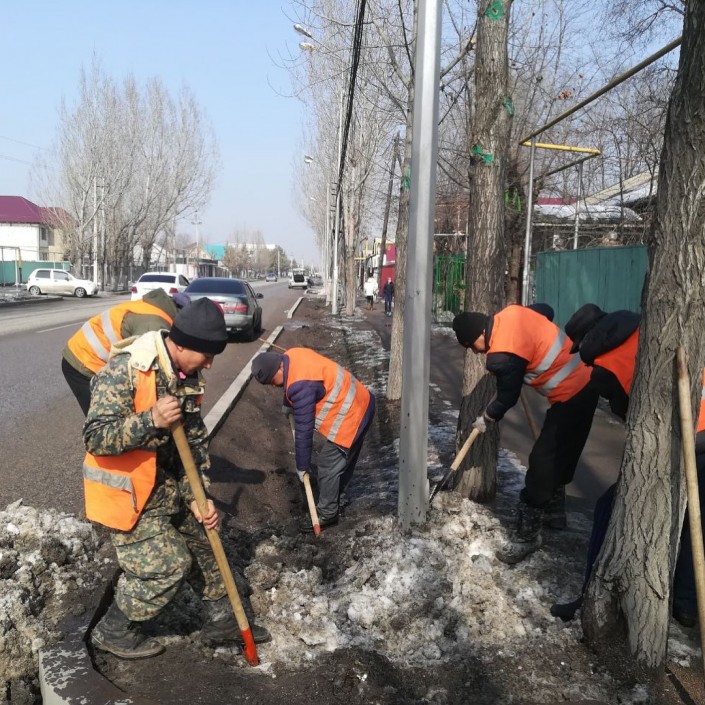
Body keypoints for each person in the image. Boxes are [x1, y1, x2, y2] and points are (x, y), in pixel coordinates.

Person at [84, 297, 270, 659]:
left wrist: (199, 497)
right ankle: (114, 629)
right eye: (206, 355)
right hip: (128, 495)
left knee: (207, 540)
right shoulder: (125, 371)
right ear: (181, 345)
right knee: (168, 565)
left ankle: (222, 620)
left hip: (164, 487)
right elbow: (95, 437)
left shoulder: (186, 378)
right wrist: (150, 420)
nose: (210, 364)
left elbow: (194, 445)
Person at [552, 304, 703, 628]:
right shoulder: (647, 329)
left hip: (690, 439)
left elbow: (631, 415)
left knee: (609, 507)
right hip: (699, 428)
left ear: (587, 341)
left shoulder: (604, 370)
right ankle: (688, 605)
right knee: (696, 520)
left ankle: (590, 597)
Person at [452, 304, 599, 564]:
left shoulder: (501, 355)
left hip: (573, 394)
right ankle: (554, 513)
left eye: (471, 346)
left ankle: (526, 536)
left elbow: (506, 397)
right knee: (560, 452)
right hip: (586, 380)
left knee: (542, 462)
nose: (475, 352)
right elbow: (546, 311)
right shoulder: (511, 314)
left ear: (479, 335)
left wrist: (486, 418)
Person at [251, 347, 376, 531]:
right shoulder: (292, 354)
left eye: (272, 381)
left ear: (279, 368)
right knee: (343, 461)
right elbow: (295, 379)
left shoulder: (301, 386)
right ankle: (335, 497)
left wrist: (302, 466)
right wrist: (288, 403)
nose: (273, 386)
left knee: (327, 464)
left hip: (351, 416)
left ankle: (327, 514)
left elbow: (304, 431)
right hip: (363, 401)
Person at [62, 288, 190, 415]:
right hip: (82, 361)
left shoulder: (158, 307)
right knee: (103, 415)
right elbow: (145, 372)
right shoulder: (154, 325)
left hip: (87, 353)